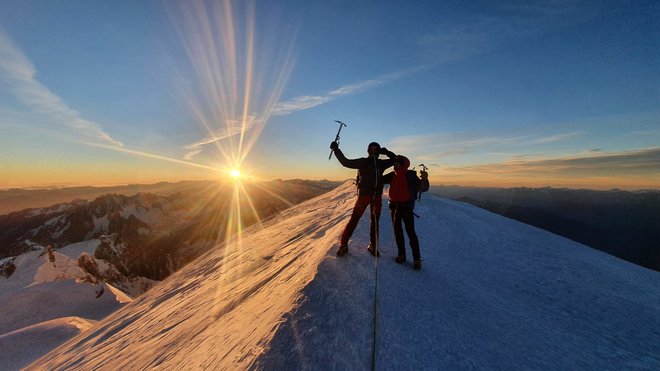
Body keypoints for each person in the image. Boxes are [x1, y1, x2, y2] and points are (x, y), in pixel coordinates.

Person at [330, 141, 397, 257]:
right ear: (369, 150)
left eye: (376, 149)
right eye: (373, 148)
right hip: (373, 196)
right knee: (361, 220)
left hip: (369, 196)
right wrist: (336, 150)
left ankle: (348, 245)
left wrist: (386, 152)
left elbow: (397, 160)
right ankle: (349, 245)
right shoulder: (376, 163)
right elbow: (345, 162)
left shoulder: (369, 162)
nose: (375, 150)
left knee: (364, 221)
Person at [382, 155, 429, 270]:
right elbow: (380, 180)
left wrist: (425, 179)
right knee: (398, 232)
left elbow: (423, 188)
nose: (395, 165)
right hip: (394, 207)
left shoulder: (410, 175)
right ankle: (402, 254)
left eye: (398, 163)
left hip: (405, 208)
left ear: (403, 165)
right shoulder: (393, 174)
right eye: (395, 163)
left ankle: (416, 259)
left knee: (410, 233)